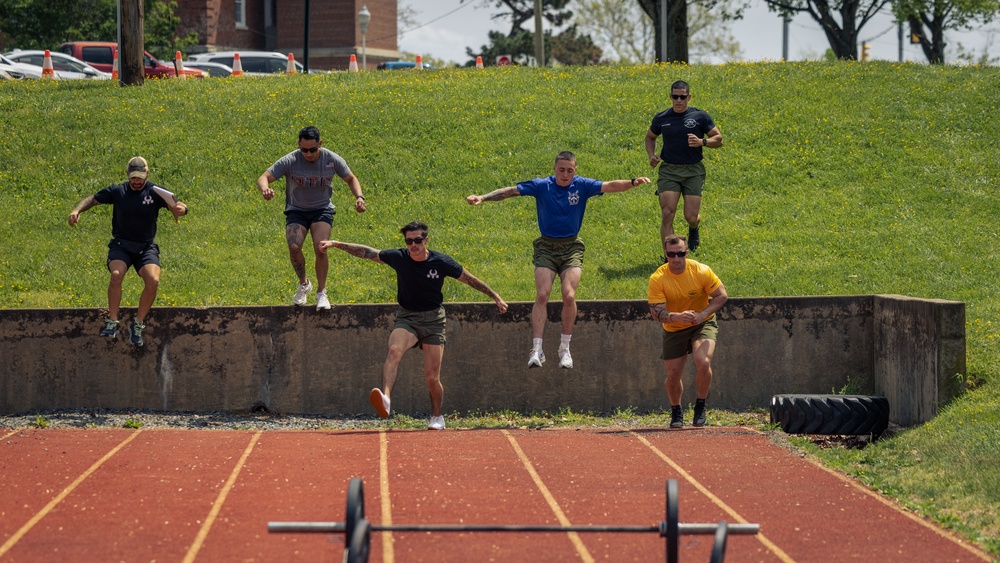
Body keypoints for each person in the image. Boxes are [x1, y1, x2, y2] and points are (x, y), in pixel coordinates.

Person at [467, 151, 650, 369]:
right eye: (561, 170)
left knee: (569, 295)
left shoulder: (582, 185)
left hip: (572, 247)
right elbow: (510, 191)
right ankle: (536, 349)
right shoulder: (542, 185)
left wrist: (632, 182)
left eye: (570, 170)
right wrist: (483, 197)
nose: (565, 174)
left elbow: (610, 185)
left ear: (575, 170)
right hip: (546, 246)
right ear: (554, 168)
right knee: (543, 293)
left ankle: (565, 348)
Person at [319, 221, 507, 430]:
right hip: (408, 317)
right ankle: (386, 399)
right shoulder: (399, 257)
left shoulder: (441, 262)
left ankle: (437, 417)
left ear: (426, 240)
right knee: (394, 351)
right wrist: (336, 243)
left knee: (431, 377)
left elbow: (469, 278)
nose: (413, 245)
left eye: (418, 240)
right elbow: (366, 252)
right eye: (409, 241)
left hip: (434, 320)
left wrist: (495, 296)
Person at [68, 156, 189, 347]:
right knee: (116, 274)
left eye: (140, 177)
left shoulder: (156, 192)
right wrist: (76, 211)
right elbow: (92, 200)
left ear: (147, 174)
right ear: (128, 175)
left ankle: (138, 324)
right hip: (121, 245)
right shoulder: (118, 191)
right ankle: (113, 321)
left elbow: (177, 205)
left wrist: (181, 210)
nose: (137, 181)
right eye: (133, 177)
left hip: (145, 247)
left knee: (153, 280)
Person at [257, 125, 366, 311]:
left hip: (321, 209)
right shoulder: (291, 160)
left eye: (312, 150)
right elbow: (264, 177)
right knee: (294, 246)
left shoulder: (331, 159)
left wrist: (359, 197)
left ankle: (321, 292)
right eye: (304, 150)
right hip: (296, 209)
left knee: (321, 247)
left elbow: (351, 178)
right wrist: (265, 189)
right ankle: (304, 283)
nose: (308, 154)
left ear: (320, 144)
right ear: (299, 145)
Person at [647, 234, 728, 428]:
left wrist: (702, 314)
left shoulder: (701, 271)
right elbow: (656, 312)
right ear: (665, 254)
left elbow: (721, 295)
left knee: (703, 361)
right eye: (671, 254)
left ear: (687, 253)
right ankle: (676, 410)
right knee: (673, 374)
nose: (676, 259)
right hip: (674, 328)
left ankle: (700, 405)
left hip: (702, 323)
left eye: (680, 254)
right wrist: (676, 316)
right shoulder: (658, 278)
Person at [645, 80, 723, 256]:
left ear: (689, 97)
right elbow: (650, 137)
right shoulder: (662, 118)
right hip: (669, 171)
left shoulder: (700, 116)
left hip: (693, 171)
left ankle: (694, 228)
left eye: (682, 97)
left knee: (691, 216)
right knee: (667, 213)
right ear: (670, 96)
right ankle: (670, 256)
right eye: (675, 96)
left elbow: (719, 139)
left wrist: (702, 142)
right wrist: (651, 155)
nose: (678, 100)